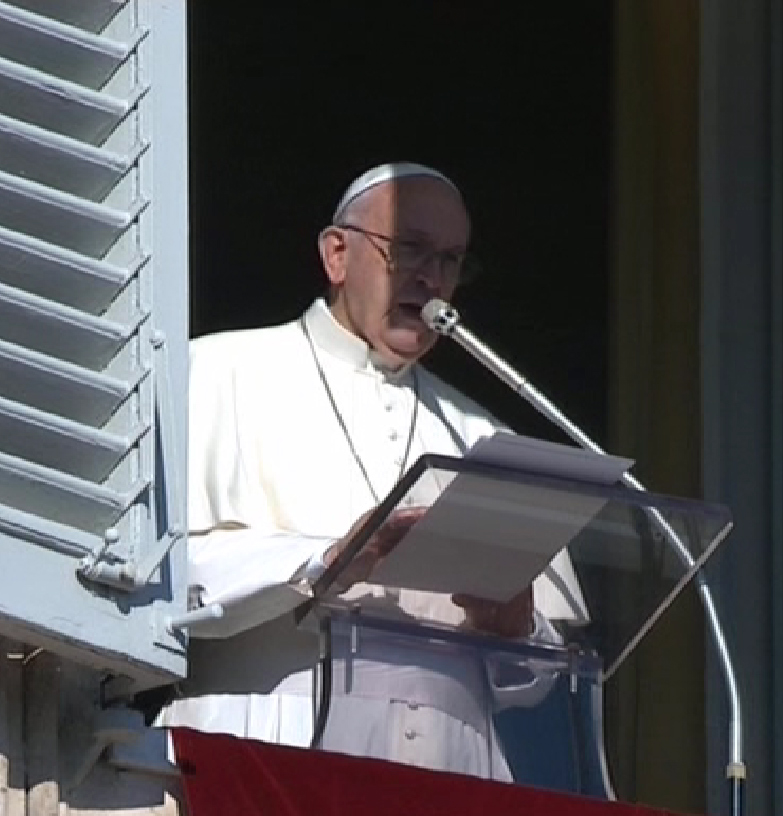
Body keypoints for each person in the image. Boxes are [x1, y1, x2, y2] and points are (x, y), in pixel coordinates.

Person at [157, 162, 588, 781]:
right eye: (409, 249)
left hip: (452, 768)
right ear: (337, 254)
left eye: (451, 260)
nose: (431, 278)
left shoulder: (482, 437)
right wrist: (325, 561)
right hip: (270, 739)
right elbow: (161, 583)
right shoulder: (216, 374)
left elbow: (541, 680)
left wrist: (517, 625)